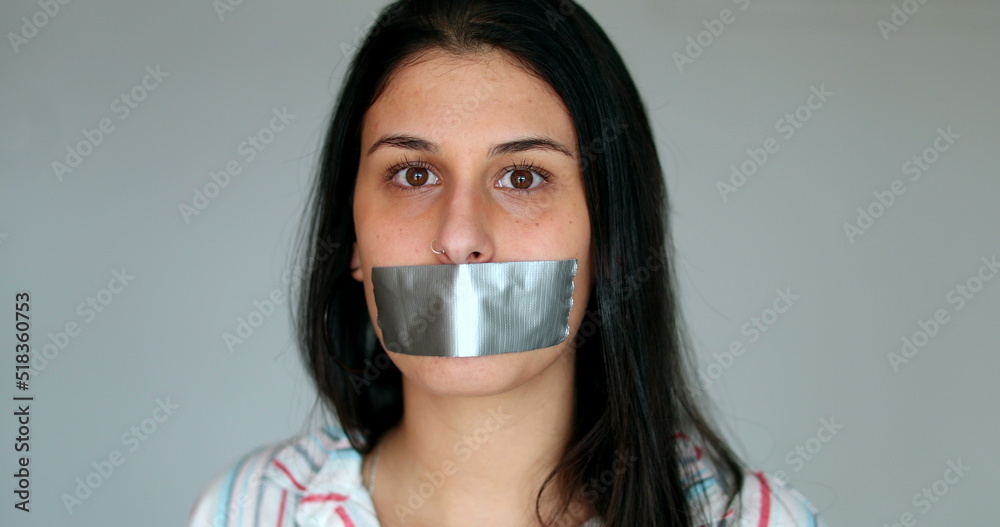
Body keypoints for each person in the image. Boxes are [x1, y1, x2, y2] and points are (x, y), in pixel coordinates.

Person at [188, 1, 828, 526]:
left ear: (609, 237)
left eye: (522, 177)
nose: (460, 238)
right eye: (414, 174)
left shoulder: (751, 521)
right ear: (352, 239)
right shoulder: (250, 511)